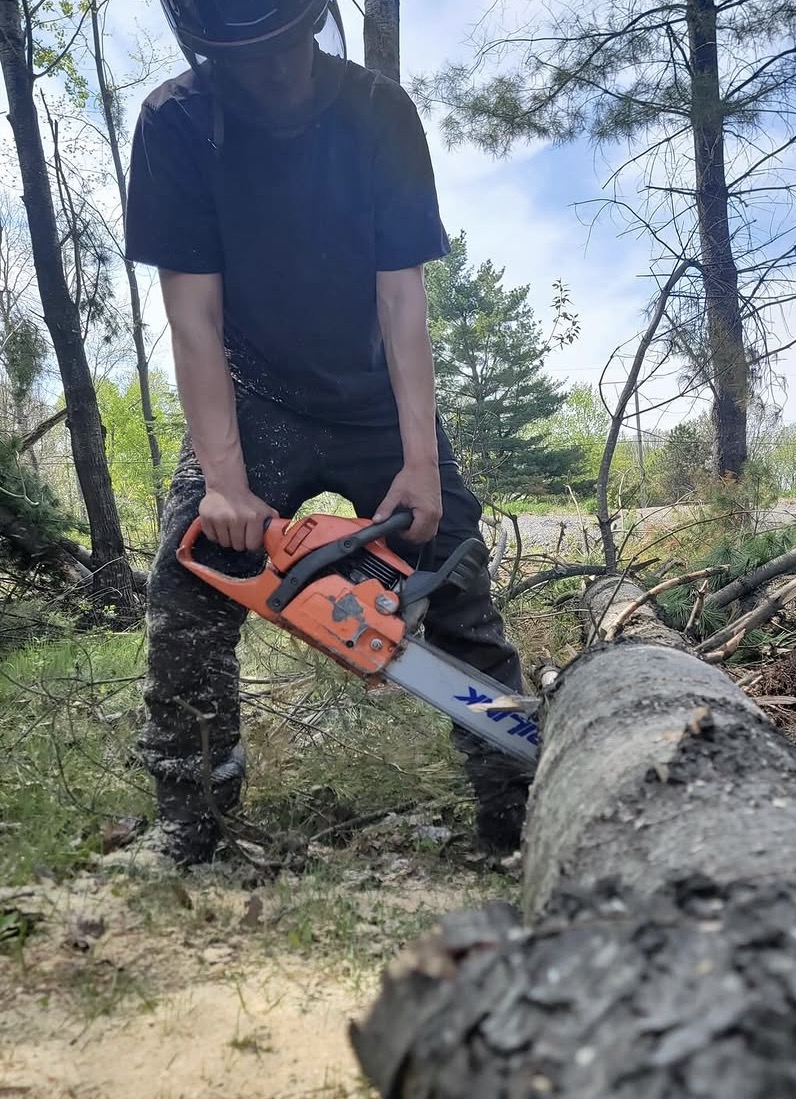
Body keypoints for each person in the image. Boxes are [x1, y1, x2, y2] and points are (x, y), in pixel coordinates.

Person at [124, 0, 528, 865]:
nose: (273, 70)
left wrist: (419, 461)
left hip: (378, 394)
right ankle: (192, 823)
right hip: (254, 393)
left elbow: (401, 297)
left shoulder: (378, 112)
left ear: (313, 23)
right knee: (188, 590)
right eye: (249, 59)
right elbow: (193, 316)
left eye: (285, 47)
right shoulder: (176, 123)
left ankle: (514, 801)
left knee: (455, 574)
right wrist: (224, 482)